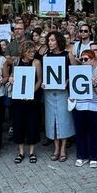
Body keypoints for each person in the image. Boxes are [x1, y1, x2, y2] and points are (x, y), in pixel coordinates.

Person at [42, 31, 75, 162]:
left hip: (63, 92)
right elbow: (44, 74)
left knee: (64, 119)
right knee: (52, 120)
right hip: (49, 93)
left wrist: (68, 80)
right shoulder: (46, 56)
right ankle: (56, 148)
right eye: (48, 40)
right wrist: (44, 83)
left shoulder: (68, 55)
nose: (50, 43)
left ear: (59, 41)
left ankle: (63, 149)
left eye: (52, 40)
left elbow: (76, 73)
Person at [72, 50, 97, 168]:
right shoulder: (76, 71)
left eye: (86, 59)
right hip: (79, 106)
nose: (83, 62)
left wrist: (94, 83)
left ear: (92, 60)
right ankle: (81, 156)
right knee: (80, 132)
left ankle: (93, 157)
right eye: (82, 59)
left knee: (92, 133)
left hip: (93, 106)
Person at [9, 42, 42, 164]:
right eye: (30, 52)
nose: (32, 54)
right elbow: (12, 75)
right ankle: (21, 152)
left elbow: (39, 80)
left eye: (33, 51)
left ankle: (32, 152)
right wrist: (11, 79)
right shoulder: (16, 61)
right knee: (19, 125)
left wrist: (32, 91)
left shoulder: (36, 62)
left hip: (32, 100)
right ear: (24, 52)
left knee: (32, 124)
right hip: (18, 100)